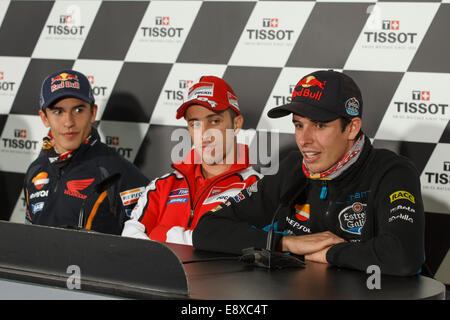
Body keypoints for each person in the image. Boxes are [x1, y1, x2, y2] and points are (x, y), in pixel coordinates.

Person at [193, 70, 425, 276]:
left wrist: (331, 253)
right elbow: (207, 229)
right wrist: (286, 243)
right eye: (299, 125)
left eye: (320, 125)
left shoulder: (392, 172)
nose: (304, 140)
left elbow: (403, 257)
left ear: (351, 128)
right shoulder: (293, 168)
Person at [122, 76, 262, 245]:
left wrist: (163, 233)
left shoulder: (257, 189)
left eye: (214, 121)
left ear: (237, 124)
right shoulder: (162, 186)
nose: (204, 134)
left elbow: (242, 247)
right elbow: (131, 239)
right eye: (195, 124)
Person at [24, 69, 149, 234]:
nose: (68, 122)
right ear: (44, 118)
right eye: (58, 112)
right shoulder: (36, 169)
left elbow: (142, 250)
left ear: (93, 113)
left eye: (78, 110)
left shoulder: (120, 174)